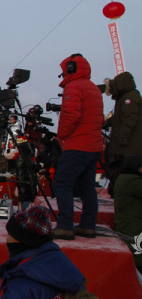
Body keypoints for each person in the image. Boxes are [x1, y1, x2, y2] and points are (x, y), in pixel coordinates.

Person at [52, 54, 104, 240]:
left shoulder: (73, 86)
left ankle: (65, 225)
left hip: (77, 145)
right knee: (87, 187)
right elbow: (100, 118)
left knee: (62, 183)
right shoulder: (94, 88)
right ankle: (87, 226)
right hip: (93, 145)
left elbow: (70, 116)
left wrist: (62, 136)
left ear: (71, 68)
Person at [113, 154, 142, 271]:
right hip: (133, 224)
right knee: (137, 256)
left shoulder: (126, 177)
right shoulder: (133, 180)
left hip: (130, 222)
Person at [106, 71, 141, 167]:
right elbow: (121, 117)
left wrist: (122, 137)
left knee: (127, 174)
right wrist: (107, 122)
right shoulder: (128, 97)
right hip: (130, 149)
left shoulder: (129, 98)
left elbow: (129, 119)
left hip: (129, 149)